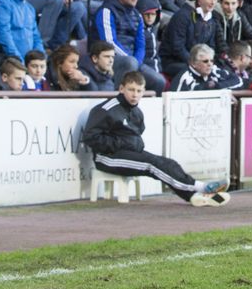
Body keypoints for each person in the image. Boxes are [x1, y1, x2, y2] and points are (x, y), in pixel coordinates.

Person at [81, 71, 230, 206]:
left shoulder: (136, 111)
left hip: (129, 153)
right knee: (151, 165)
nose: (135, 95)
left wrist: (131, 144)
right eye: (131, 90)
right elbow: (90, 137)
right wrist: (120, 144)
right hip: (106, 158)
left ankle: (193, 195)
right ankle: (200, 188)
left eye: (139, 91)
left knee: (167, 162)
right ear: (121, 89)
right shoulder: (106, 109)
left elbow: (137, 134)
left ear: (143, 91)